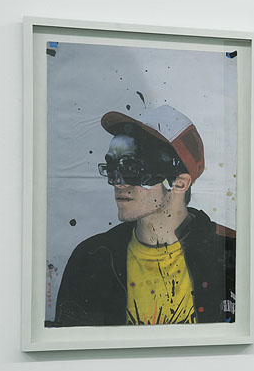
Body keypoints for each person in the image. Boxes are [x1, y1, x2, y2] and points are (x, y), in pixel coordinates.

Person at [51, 104, 235, 326]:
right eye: (112, 168)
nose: (118, 182)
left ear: (179, 183)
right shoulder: (91, 259)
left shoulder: (232, 254)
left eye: (133, 169)